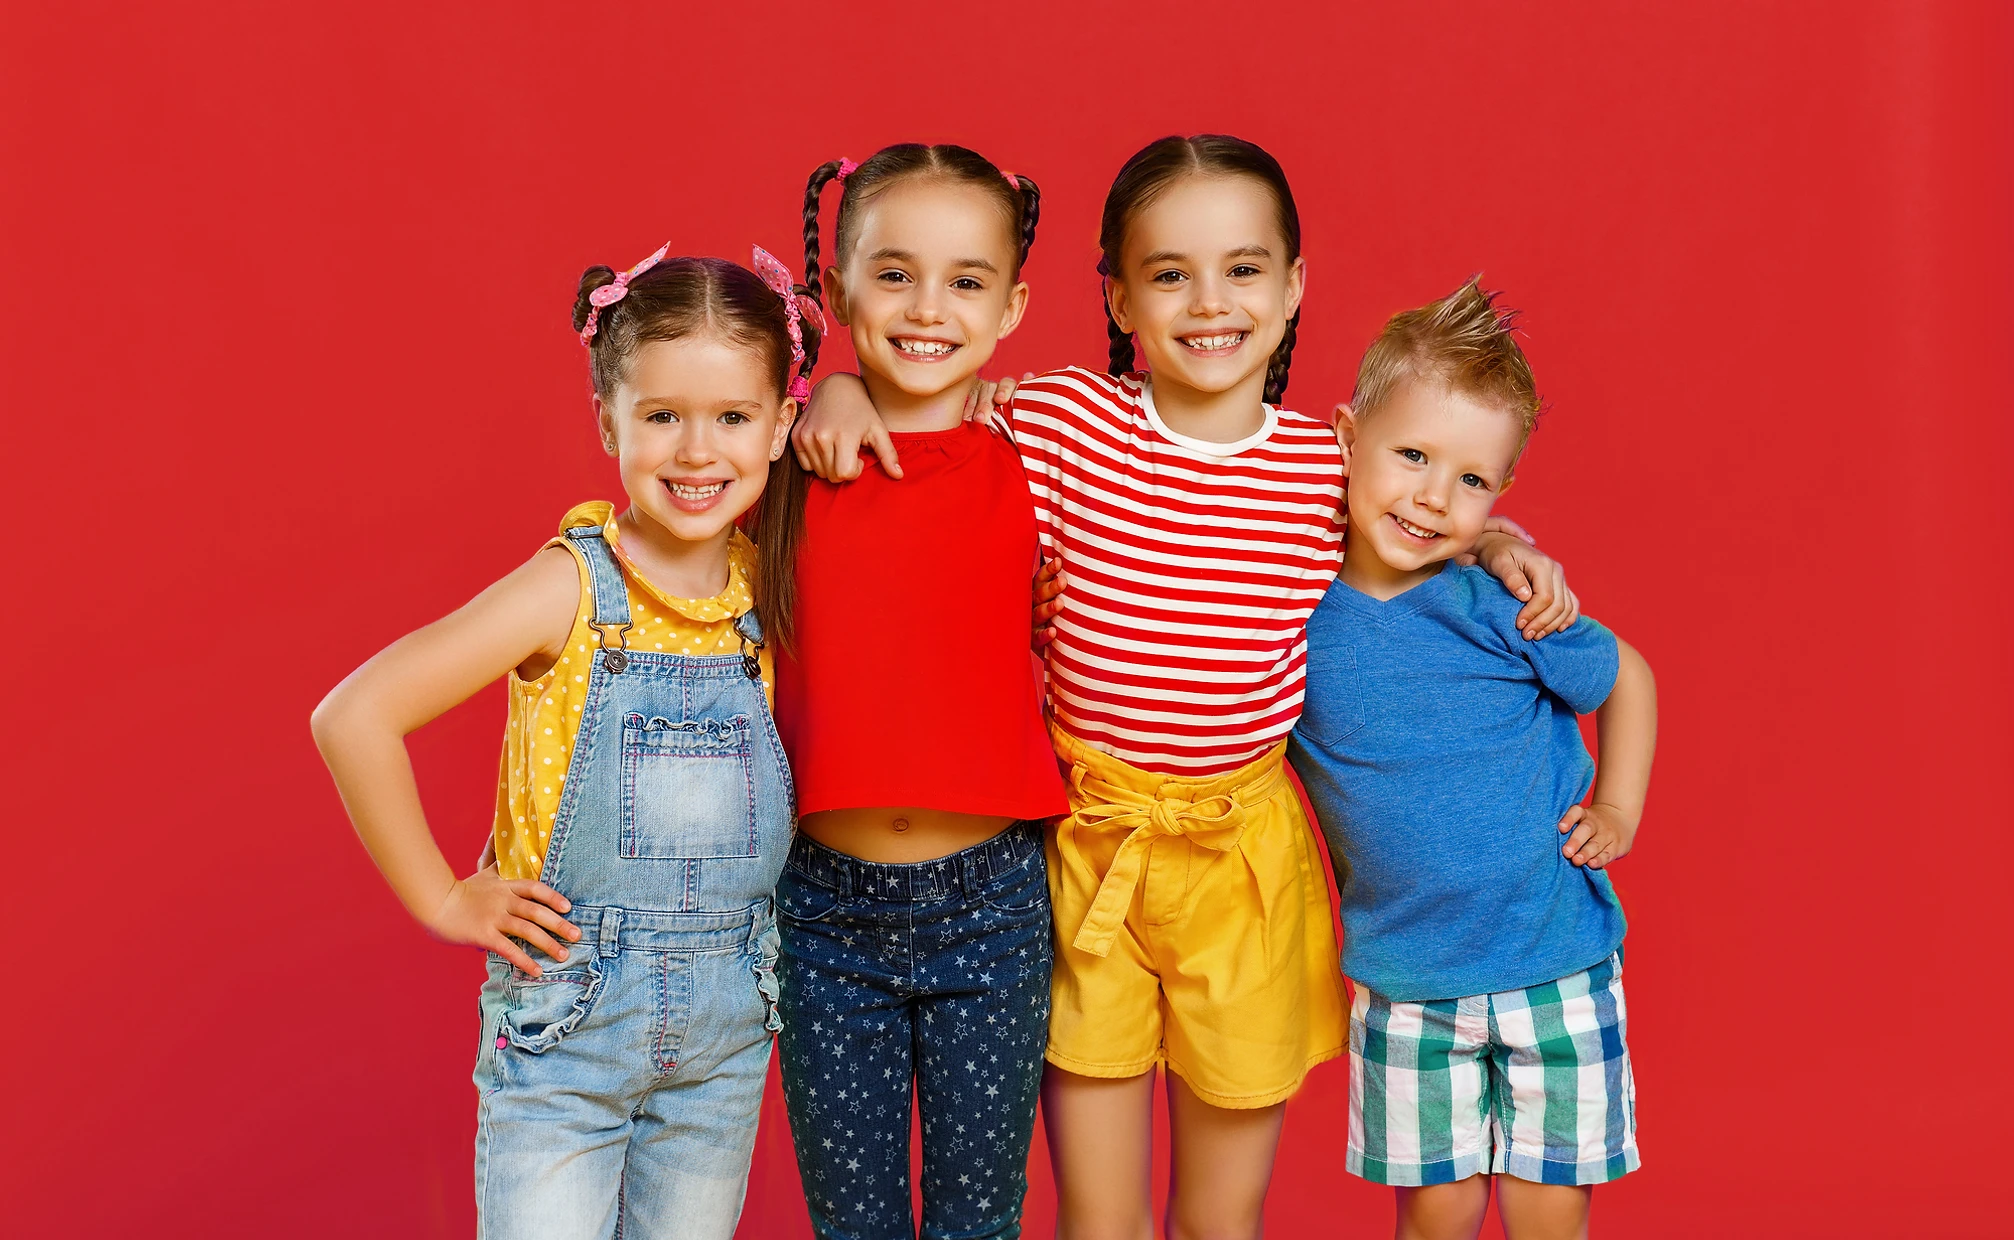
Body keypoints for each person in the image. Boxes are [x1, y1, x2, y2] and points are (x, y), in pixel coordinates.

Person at [794, 134, 1578, 1240]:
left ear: (1294, 286)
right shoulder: (1058, 422)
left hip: (1240, 864)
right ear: (1117, 296)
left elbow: (1428, 509)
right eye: (1170, 274)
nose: (1210, 302)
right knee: (1098, 1214)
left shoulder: (1329, 468)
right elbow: (921, 393)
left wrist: (1499, 539)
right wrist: (832, 384)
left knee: (1220, 1212)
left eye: (1243, 269)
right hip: (1089, 852)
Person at [310, 243, 818, 1239]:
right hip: (567, 1032)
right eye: (661, 416)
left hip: (723, 1045)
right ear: (606, 420)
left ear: (780, 425)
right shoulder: (571, 588)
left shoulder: (770, 590)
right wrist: (443, 896)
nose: (697, 451)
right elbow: (354, 716)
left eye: (732, 417)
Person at [1288, 279, 1657, 1240]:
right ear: (1346, 436)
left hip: (1554, 960)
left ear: (1501, 493)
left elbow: (1627, 675)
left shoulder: (1500, 605)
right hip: (1408, 979)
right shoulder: (1289, 608)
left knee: (1547, 1210)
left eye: (1471, 481)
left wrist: (1619, 808)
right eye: (1412, 455)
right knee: (1438, 1213)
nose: (1432, 498)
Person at [770, 143, 1068, 1240]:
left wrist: (1492, 537)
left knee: (978, 1224)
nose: (928, 308)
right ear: (838, 289)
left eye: (966, 280)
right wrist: (827, 387)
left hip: (992, 905)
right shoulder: (783, 465)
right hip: (819, 907)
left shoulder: (1038, 460)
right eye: (893, 275)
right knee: (853, 1226)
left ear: (1011, 307)